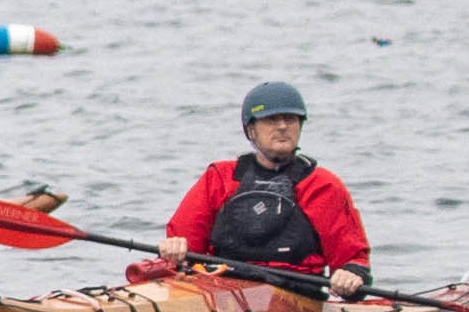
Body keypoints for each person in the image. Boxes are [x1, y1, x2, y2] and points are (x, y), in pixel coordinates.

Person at [159, 82, 371, 300]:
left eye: (290, 119)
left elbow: (352, 260)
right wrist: (175, 248)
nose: (282, 126)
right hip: (222, 288)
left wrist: (350, 275)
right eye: (271, 119)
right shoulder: (220, 178)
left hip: (296, 296)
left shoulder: (323, 185)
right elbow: (184, 249)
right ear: (251, 130)